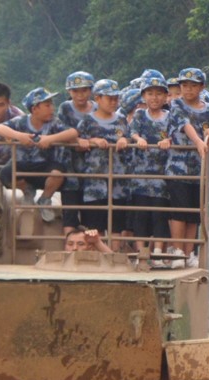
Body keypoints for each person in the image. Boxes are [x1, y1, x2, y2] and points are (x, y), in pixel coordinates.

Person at [0, 87, 78, 222]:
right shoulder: (21, 121)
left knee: (58, 173)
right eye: (47, 105)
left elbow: (73, 132)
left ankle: (45, 199)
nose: (52, 108)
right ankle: (27, 191)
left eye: (51, 104)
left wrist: (50, 139)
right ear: (35, 109)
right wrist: (19, 136)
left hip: (44, 166)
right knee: (5, 174)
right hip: (23, 165)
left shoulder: (54, 123)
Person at [165, 68, 209, 268]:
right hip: (177, 168)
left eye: (193, 86)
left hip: (199, 170)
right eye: (184, 85)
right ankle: (178, 252)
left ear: (201, 87)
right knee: (179, 211)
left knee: (193, 213)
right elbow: (185, 125)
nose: (188, 90)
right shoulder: (176, 104)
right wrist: (198, 142)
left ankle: (190, 254)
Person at [76, 79, 132, 251]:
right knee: (95, 226)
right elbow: (76, 140)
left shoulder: (121, 119)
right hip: (95, 181)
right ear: (98, 98)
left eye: (116, 98)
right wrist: (90, 141)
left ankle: (113, 257)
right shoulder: (87, 121)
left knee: (116, 226)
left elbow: (129, 137)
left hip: (118, 180)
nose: (114, 102)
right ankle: (97, 258)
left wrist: (124, 139)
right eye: (109, 98)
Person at [129, 76, 172, 266]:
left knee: (159, 214)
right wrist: (138, 139)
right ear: (144, 96)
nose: (154, 97)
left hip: (162, 175)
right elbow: (133, 132)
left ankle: (158, 253)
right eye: (150, 93)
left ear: (165, 97)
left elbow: (177, 135)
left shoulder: (170, 117)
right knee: (141, 214)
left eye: (158, 93)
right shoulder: (139, 115)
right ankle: (142, 255)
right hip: (141, 174)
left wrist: (168, 141)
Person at [57, 71, 95, 234]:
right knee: (70, 207)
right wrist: (77, 141)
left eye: (84, 90)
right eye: (75, 91)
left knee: (91, 209)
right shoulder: (65, 108)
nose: (80, 95)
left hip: (93, 165)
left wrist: (91, 142)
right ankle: (69, 244)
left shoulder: (98, 107)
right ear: (69, 92)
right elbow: (59, 130)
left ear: (90, 90)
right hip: (70, 164)